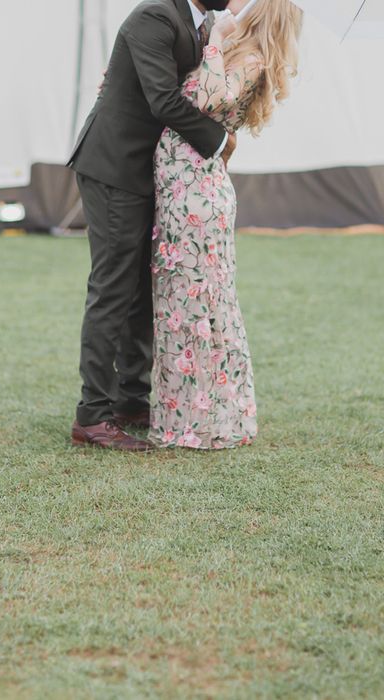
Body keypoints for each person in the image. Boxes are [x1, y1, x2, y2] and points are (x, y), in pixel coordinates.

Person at [67, 0, 238, 452]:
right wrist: (219, 141)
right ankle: (93, 417)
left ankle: (130, 401)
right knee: (114, 289)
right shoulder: (156, 17)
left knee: (142, 290)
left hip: (149, 175)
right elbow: (163, 99)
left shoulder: (203, 25)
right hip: (113, 168)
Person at [148, 0, 304, 449]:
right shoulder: (235, 51)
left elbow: (209, 99)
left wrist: (215, 41)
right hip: (182, 189)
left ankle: (206, 421)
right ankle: (184, 415)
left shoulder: (252, 59)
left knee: (197, 304)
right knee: (181, 301)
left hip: (197, 196)